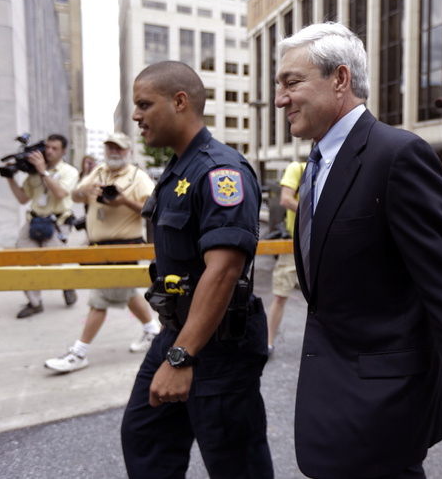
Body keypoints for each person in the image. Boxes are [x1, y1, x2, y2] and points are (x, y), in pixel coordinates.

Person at [274, 22, 442, 479]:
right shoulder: (316, 161)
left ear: (340, 80)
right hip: (336, 404)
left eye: (292, 82)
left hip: (382, 411)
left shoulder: (397, 155)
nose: (280, 99)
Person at [120, 61, 273, 478]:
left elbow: (223, 271)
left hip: (218, 345)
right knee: (145, 437)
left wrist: (181, 357)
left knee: (234, 463)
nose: (137, 116)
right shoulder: (176, 170)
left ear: (180, 101)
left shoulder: (220, 171)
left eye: (144, 104)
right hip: (177, 331)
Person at [44, 132, 159, 373]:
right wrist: (86, 189)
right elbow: (74, 195)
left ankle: (80, 352)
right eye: (109, 148)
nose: (113, 152)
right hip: (98, 246)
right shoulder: (98, 172)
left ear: (128, 151)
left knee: (100, 298)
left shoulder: (138, 176)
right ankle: (152, 330)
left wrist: (124, 201)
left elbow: (153, 208)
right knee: (126, 292)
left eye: (119, 148)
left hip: (123, 246)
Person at [4, 133, 79, 318]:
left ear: (63, 151)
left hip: (57, 223)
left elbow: (60, 193)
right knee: (25, 261)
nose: (49, 151)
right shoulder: (34, 173)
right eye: (48, 147)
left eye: (55, 148)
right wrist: (10, 178)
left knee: (55, 264)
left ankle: (67, 285)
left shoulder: (69, 171)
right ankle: (34, 302)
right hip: (34, 221)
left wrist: (43, 171)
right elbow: (23, 198)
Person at [266, 158, 306, 353]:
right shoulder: (298, 168)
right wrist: (317, 213)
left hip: (324, 244)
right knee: (280, 295)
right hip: (296, 243)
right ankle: (268, 343)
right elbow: (286, 199)